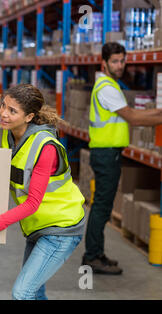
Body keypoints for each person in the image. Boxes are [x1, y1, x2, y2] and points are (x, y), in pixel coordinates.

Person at [0, 84, 85, 300]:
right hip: (37, 227)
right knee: (35, 293)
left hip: (60, 228)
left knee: (23, 293)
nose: (3, 113)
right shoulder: (5, 136)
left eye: (12, 111)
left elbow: (32, 204)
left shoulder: (45, 147)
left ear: (29, 116)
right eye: (3, 106)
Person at [82, 42, 162, 275]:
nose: (120, 65)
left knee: (102, 207)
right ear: (104, 63)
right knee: (101, 208)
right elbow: (133, 117)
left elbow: (135, 114)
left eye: (122, 60)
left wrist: (158, 112)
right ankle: (92, 256)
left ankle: (97, 253)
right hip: (105, 154)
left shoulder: (111, 84)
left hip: (109, 153)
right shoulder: (106, 87)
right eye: (115, 61)